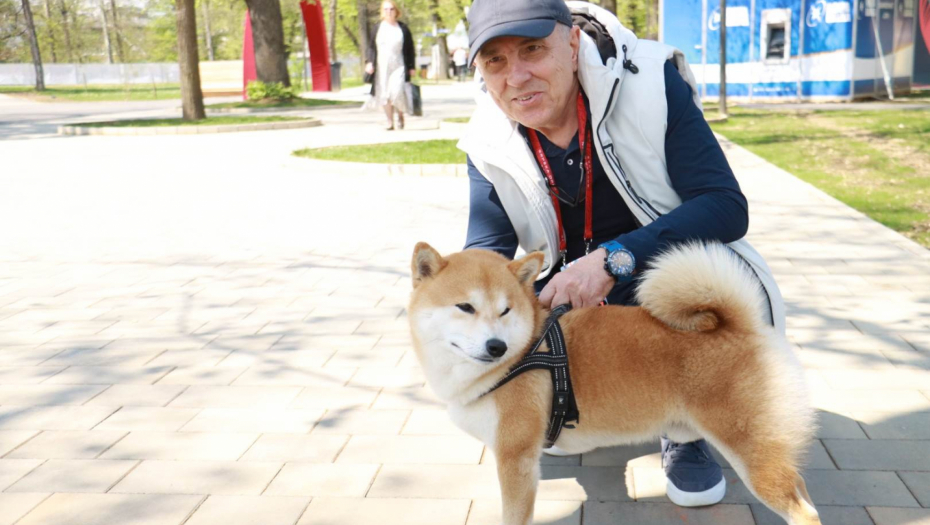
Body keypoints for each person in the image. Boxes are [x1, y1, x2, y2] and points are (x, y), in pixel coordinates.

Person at [459, 0, 786, 509]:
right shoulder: (485, 136)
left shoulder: (652, 82)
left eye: (532, 50)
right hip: (565, 283)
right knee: (518, 310)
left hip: (660, 264)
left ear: (570, 45)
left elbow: (725, 204)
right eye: (495, 61)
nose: (516, 77)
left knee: (652, 287)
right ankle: (562, 403)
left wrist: (617, 257)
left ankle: (687, 424)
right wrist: (456, 307)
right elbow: (486, 248)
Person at [365, 0, 415, 130]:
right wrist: (369, 62)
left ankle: (400, 114)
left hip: (399, 64)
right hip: (382, 65)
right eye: (386, 9)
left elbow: (410, 49)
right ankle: (389, 121)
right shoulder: (377, 28)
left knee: (397, 91)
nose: (389, 12)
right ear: (382, 11)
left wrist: (411, 67)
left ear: (396, 11)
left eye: (391, 9)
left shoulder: (403, 28)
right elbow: (371, 47)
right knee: (385, 94)